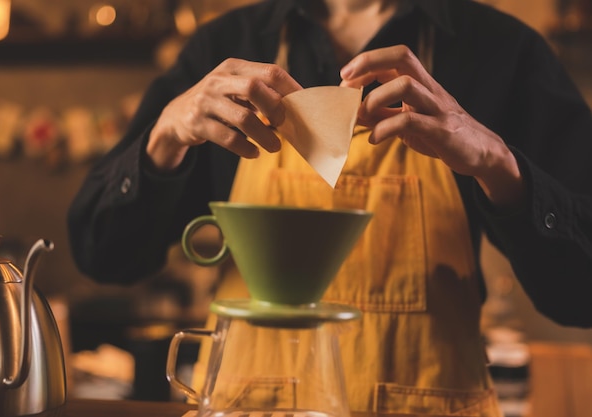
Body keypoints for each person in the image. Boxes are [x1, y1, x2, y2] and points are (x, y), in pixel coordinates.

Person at [67, 0, 592, 415]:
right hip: (245, 409)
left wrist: (497, 162)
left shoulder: (502, 50)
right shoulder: (223, 46)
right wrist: (164, 137)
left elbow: (580, 295)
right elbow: (103, 255)